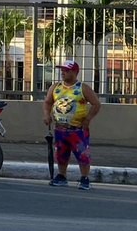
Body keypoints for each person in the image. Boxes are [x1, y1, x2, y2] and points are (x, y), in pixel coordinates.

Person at [42, 60, 101, 190]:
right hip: (60, 129)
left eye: (66, 71)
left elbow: (96, 104)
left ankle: (84, 178)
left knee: (82, 154)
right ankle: (62, 176)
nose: (63, 73)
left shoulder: (82, 88)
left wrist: (88, 119)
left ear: (74, 72)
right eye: (62, 70)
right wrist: (47, 115)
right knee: (61, 154)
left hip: (78, 129)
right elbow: (47, 102)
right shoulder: (55, 87)